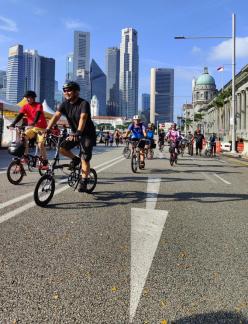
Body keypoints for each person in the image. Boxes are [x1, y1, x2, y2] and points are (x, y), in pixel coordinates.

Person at [45, 81, 96, 192]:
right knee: (61, 148)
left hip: (87, 134)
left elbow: (83, 118)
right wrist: (48, 129)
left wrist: (78, 133)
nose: (66, 92)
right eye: (65, 91)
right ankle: (75, 159)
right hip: (74, 133)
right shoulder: (64, 104)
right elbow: (55, 116)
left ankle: (84, 181)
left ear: (76, 92)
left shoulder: (84, 103)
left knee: (85, 158)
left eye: (69, 90)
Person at [8, 90, 48, 169]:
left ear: (33, 98)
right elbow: (20, 115)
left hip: (41, 128)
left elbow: (38, 114)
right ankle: (25, 156)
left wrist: (34, 122)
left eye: (29, 98)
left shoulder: (38, 105)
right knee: (23, 137)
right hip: (32, 128)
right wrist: (13, 123)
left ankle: (45, 162)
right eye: (27, 98)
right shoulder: (25, 106)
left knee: (40, 144)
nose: (27, 99)